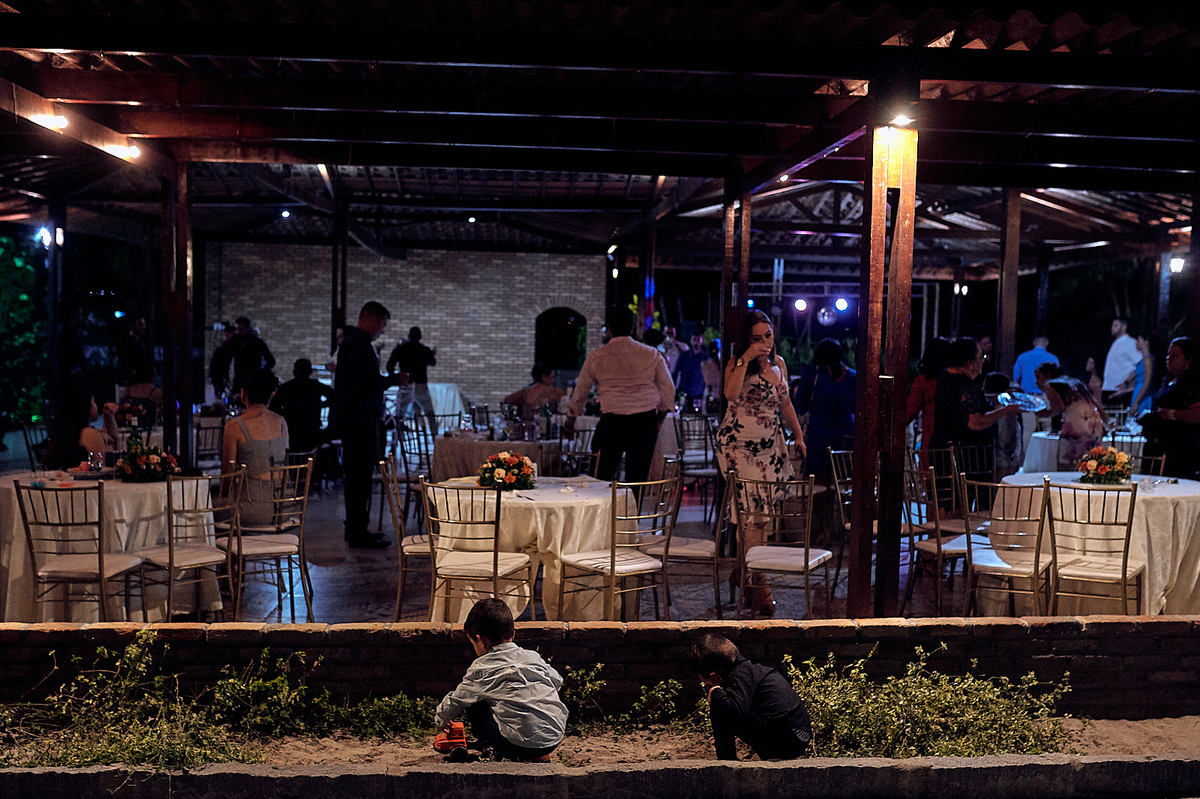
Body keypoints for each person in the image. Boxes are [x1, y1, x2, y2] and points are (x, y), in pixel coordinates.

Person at [714, 310, 806, 616]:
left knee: (761, 517)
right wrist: (746, 357)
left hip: (770, 447)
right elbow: (729, 395)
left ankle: (742, 573)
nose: (765, 343)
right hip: (739, 447)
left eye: (768, 336)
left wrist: (799, 434)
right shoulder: (735, 364)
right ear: (746, 340)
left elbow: (786, 402)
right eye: (757, 338)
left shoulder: (779, 364)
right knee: (751, 515)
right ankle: (760, 583)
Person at [433, 598, 567, 763]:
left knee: (475, 704)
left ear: (480, 640)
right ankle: (537, 752)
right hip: (554, 736)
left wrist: (441, 718)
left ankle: (506, 751)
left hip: (519, 744)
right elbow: (557, 682)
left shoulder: (481, 668)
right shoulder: (532, 657)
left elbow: (457, 699)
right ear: (513, 633)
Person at [565, 306, 675, 484]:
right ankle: (633, 510)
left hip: (612, 422)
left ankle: (602, 511)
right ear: (632, 328)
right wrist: (660, 418)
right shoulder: (651, 354)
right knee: (637, 481)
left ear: (609, 329)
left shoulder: (597, 356)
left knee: (599, 478)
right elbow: (668, 391)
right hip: (644, 422)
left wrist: (570, 421)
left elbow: (580, 394)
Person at [336, 301, 404, 548]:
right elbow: (367, 384)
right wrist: (394, 379)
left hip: (356, 417)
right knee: (359, 475)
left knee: (359, 475)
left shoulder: (355, 343)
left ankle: (357, 527)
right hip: (358, 419)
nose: (382, 331)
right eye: (382, 324)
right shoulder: (358, 345)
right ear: (370, 317)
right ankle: (356, 531)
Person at [692, 633, 812, 762]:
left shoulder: (739, 676)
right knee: (724, 702)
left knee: (719, 703)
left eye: (706, 682)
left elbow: (736, 711)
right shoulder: (749, 671)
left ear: (716, 677)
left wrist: (715, 693)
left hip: (789, 740)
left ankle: (726, 762)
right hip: (798, 735)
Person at [222, 369, 289, 528]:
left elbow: (228, 477)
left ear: (243, 393)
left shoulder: (234, 427)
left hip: (252, 511)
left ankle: (233, 551)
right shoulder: (281, 422)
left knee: (209, 510)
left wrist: (224, 498)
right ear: (271, 394)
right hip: (287, 507)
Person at [929, 337, 1022, 449]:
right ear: (970, 363)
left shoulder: (946, 375)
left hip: (942, 445)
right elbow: (976, 423)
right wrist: (1006, 410)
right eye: (981, 357)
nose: (983, 361)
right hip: (964, 452)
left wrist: (997, 397)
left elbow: (961, 403)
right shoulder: (967, 386)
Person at [792, 338, 855, 484]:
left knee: (818, 483)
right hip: (847, 434)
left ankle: (820, 507)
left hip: (819, 435)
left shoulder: (813, 375)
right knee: (845, 484)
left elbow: (801, 402)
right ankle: (841, 507)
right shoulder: (853, 377)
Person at [1140, 337, 1200, 479]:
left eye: (1175, 355)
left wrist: (1172, 414)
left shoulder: (1193, 387)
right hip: (1156, 448)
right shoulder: (1168, 382)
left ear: (1188, 361)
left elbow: (1197, 414)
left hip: (1179, 451)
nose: (1169, 358)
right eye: (1168, 354)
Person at [1034, 362, 1107, 470]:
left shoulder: (1050, 385)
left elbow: (1059, 408)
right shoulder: (1077, 383)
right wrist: (1105, 419)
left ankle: (1063, 486)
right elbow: (1094, 402)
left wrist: (1042, 413)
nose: (1036, 382)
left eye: (1038, 377)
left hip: (1076, 425)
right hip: (1094, 423)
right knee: (1089, 463)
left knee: (1066, 463)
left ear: (1048, 374)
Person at [45, 380, 119, 470]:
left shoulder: (64, 433)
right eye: (93, 401)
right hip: (84, 483)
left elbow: (111, 439)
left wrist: (109, 417)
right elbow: (103, 466)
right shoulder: (88, 434)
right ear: (88, 407)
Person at [269, 358, 335, 454]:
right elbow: (333, 397)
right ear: (310, 372)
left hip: (291, 432)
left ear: (294, 372)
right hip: (312, 431)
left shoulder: (286, 388)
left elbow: (274, 409)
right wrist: (321, 406)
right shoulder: (315, 385)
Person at [1012, 333, 1059, 455]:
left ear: (1034, 343)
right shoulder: (1052, 358)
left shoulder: (1023, 357)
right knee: (1048, 429)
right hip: (1046, 396)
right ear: (1046, 343)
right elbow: (1058, 380)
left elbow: (1016, 378)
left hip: (1028, 397)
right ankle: (1047, 456)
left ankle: (1028, 459)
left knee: (1028, 430)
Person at [906, 337, 949, 466]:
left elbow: (909, 412)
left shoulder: (923, 382)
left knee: (931, 480)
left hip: (930, 437)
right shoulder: (954, 380)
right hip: (953, 436)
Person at [210, 316, 276, 399]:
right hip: (239, 378)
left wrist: (261, 372)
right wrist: (225, 376)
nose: (238, 332)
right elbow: (227, 359)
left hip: (253, 379)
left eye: (241, 329)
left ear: (247, 329)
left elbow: (271, 361)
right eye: (237, 329)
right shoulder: (235, 341)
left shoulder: (257, 343)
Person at [386, 326, 437, 433]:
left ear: (409, 336)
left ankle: (397, 441)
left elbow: (389, 366)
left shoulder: (401, 349)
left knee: (400, 415)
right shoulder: (424, 350)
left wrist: (396, 377)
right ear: (420, 337)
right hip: (420, 385)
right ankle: (435, 439)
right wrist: (432, 354)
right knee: (429, 414)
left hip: (406, 383)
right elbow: (433, 363)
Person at [982, 373, 1022, 477]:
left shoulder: (1003, 412)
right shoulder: (1005, 409)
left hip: (1001, 460)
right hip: (1002, 459)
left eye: (984, 386)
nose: (982, 389)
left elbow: (1003, 441)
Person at [1102, 317, 1141, 403]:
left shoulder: (1130, 343)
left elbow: (1140, 365)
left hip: (1120, 390)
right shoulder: (1116, 343)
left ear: (1124, 327)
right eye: (1112, 325)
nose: (1112, 328)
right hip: (1108, 387)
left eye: (1115, 325)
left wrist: (1127, 382)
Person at [1119, 334, 1156, 419]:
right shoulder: (1144, 360)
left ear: (1146, 343)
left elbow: (1147, 382)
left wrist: (1136, 402)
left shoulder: (1148, 360)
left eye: (1138, 341)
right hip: (1138, 392)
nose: (1136, 343)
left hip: (1143, 396)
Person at [672, 333, 709, 412]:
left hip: (699, 392)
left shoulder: (705, 357)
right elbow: (676, 373)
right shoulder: (683, 356)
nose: (696, 343)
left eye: (698, 340)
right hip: (685, 391)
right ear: (690, 341)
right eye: (694, 340)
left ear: (701, 341)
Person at [701, 339, 722, 413]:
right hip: (712, 395)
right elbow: (709, 381)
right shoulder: (707, 365)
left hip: (715, 395)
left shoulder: (706, 364)